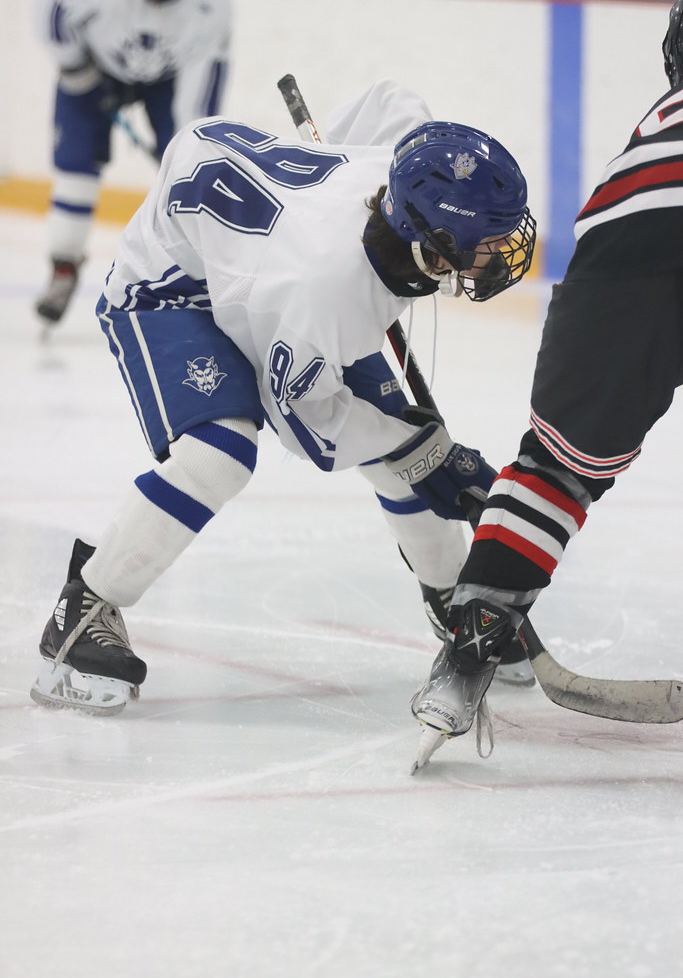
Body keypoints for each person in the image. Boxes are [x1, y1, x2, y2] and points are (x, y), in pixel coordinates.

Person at [29, 80, 537, 716]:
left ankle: (458, 610)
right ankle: (84, 611)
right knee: (220, 454)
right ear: (431, 244)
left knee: (400, 434)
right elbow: (309, 426)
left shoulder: (400, 169)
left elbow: (391, 99)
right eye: (487, 239)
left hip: (252, 263)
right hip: (173, 289)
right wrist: (420, 451)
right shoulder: (319, 288)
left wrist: (412, 447)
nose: (502, 251)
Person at [411, 0, 683, 747]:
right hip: (631, 242)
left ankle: (466, 655)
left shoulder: (654, 127)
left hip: (621, 243)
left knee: (556, 469)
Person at [33, 0, 232, 325]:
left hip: (166, 82)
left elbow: (202, 90)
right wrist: (75, 66)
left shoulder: (211, 2)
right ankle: (63, 268)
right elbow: (51, 4)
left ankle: (196, 271)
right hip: (94, 66)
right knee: (75, 167)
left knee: (190, 170)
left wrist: (188, 145)